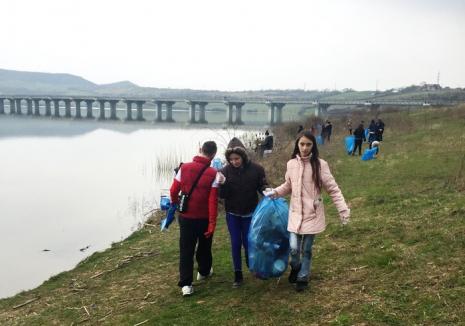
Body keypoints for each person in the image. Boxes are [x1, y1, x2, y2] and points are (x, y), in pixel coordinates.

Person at [269, 131, 350, 292]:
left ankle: (303, 276)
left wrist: (343, 209)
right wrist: (275, 192)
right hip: (295, 213)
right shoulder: (291, 164)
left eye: (308, 144)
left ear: (313, 146)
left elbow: (333, 189)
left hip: (313, 214)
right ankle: (296, 267)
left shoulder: (320, 165)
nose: (305, 148)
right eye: (302, 144)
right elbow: (288, 185)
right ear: (297, 145)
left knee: (306, 249)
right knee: (293, 248)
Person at [169, 141, 219, 297]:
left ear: (200, 150)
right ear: (214, 155)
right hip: (204, 218)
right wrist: (212, 223)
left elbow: (173, 191)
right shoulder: (214, 173)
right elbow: (212, 201)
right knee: (204, 246)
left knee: (186, 250)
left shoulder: (184, 168)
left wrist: (177, 204)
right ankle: (203, 272)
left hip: (186, 217)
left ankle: (186, 284)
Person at [217, 137, 268, 287]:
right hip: (232, 213)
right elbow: (222, 195)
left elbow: (262, 186)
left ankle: (252, 265)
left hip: (250, 213)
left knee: (249, 242)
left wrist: (267, 191)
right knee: (235, 243)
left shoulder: (257, 169)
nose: (234, 162)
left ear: (243, 156)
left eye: (237, 158)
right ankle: (238, 274)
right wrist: (223, 184)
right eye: (231, 159)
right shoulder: (223, 172)